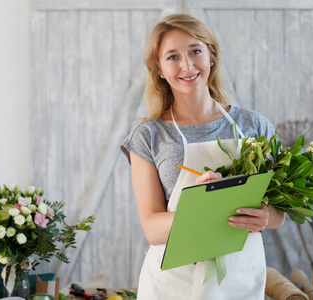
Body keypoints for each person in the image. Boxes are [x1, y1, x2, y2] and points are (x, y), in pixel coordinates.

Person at [121, 14, 285, 299]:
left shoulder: (254, 126)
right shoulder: (149, 135)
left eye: (195, 51)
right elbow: (151, 228)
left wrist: (265, 217)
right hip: (172, 283)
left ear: (211, 57)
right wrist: (196, 205)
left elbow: (279, 215)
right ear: (159, 69)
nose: (187, 65)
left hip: (238, 279)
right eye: (172, 57)